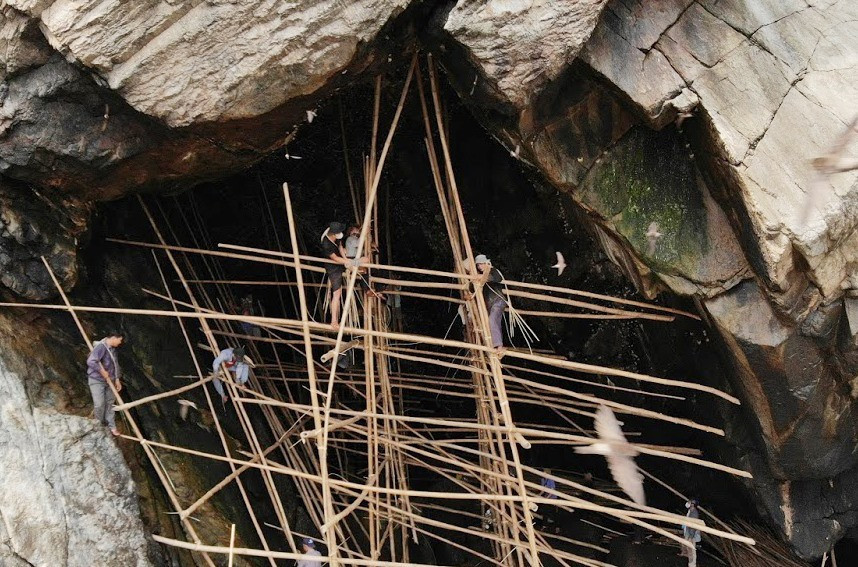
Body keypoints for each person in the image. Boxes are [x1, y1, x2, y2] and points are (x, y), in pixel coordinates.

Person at [321, 221, 367, 329]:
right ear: (333, 233)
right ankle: (334, 321)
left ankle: (358, 266)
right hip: (333, 266)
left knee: (366, 261)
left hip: (342, 261)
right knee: (337, 293)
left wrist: (346, 260)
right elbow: (335, 259)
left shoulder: (334, 234)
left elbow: (340, 247)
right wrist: (350, 262)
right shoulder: (326, 244)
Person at [86, 333, 124, 436]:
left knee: (109, 403)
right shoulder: (101, 347)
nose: (120, 342)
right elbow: (91, 361)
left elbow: (116, 365)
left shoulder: (112, 349)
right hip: (97, 380)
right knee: (99, 404)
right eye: (119, 340)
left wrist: (117, 379)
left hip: (110, 381)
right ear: (113, 338)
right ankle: (99, 424)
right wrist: (101, 371)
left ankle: (112, 426)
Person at [472, 254, 507, 355]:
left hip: (498, 301)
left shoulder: (494, 271)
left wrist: (483, 277)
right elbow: (471, 287)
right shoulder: (478, 277)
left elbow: (498, 278)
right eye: (478, 265)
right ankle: (495, 345)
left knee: (492, 320)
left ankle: (499, 346)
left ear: (486, 263)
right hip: (489, 305)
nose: (480, 267)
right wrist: (474, 280)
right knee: (493, 323)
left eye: (481, 264)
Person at [680, 498, 701, 566]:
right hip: (688, 531)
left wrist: (691, 536)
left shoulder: (694, 513)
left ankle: (692, 564)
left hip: (691, 533)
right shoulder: (690, 511)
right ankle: (686, 555)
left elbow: (693, 526)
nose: (688, 503)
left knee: (691, 548)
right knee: (686, 545)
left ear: (692, 505)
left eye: (689, 502)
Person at [539, 469, 561, 533]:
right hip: (546, 498)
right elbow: (543, 490)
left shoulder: (551, 479)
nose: (543, 473)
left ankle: (557, 527)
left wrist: (547, 498)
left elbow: (552, 490)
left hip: (553, 498)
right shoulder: (542, 480)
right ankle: (544, 525)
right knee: (545, 512)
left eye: (544, 473)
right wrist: (538, 496)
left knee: (554, 513)